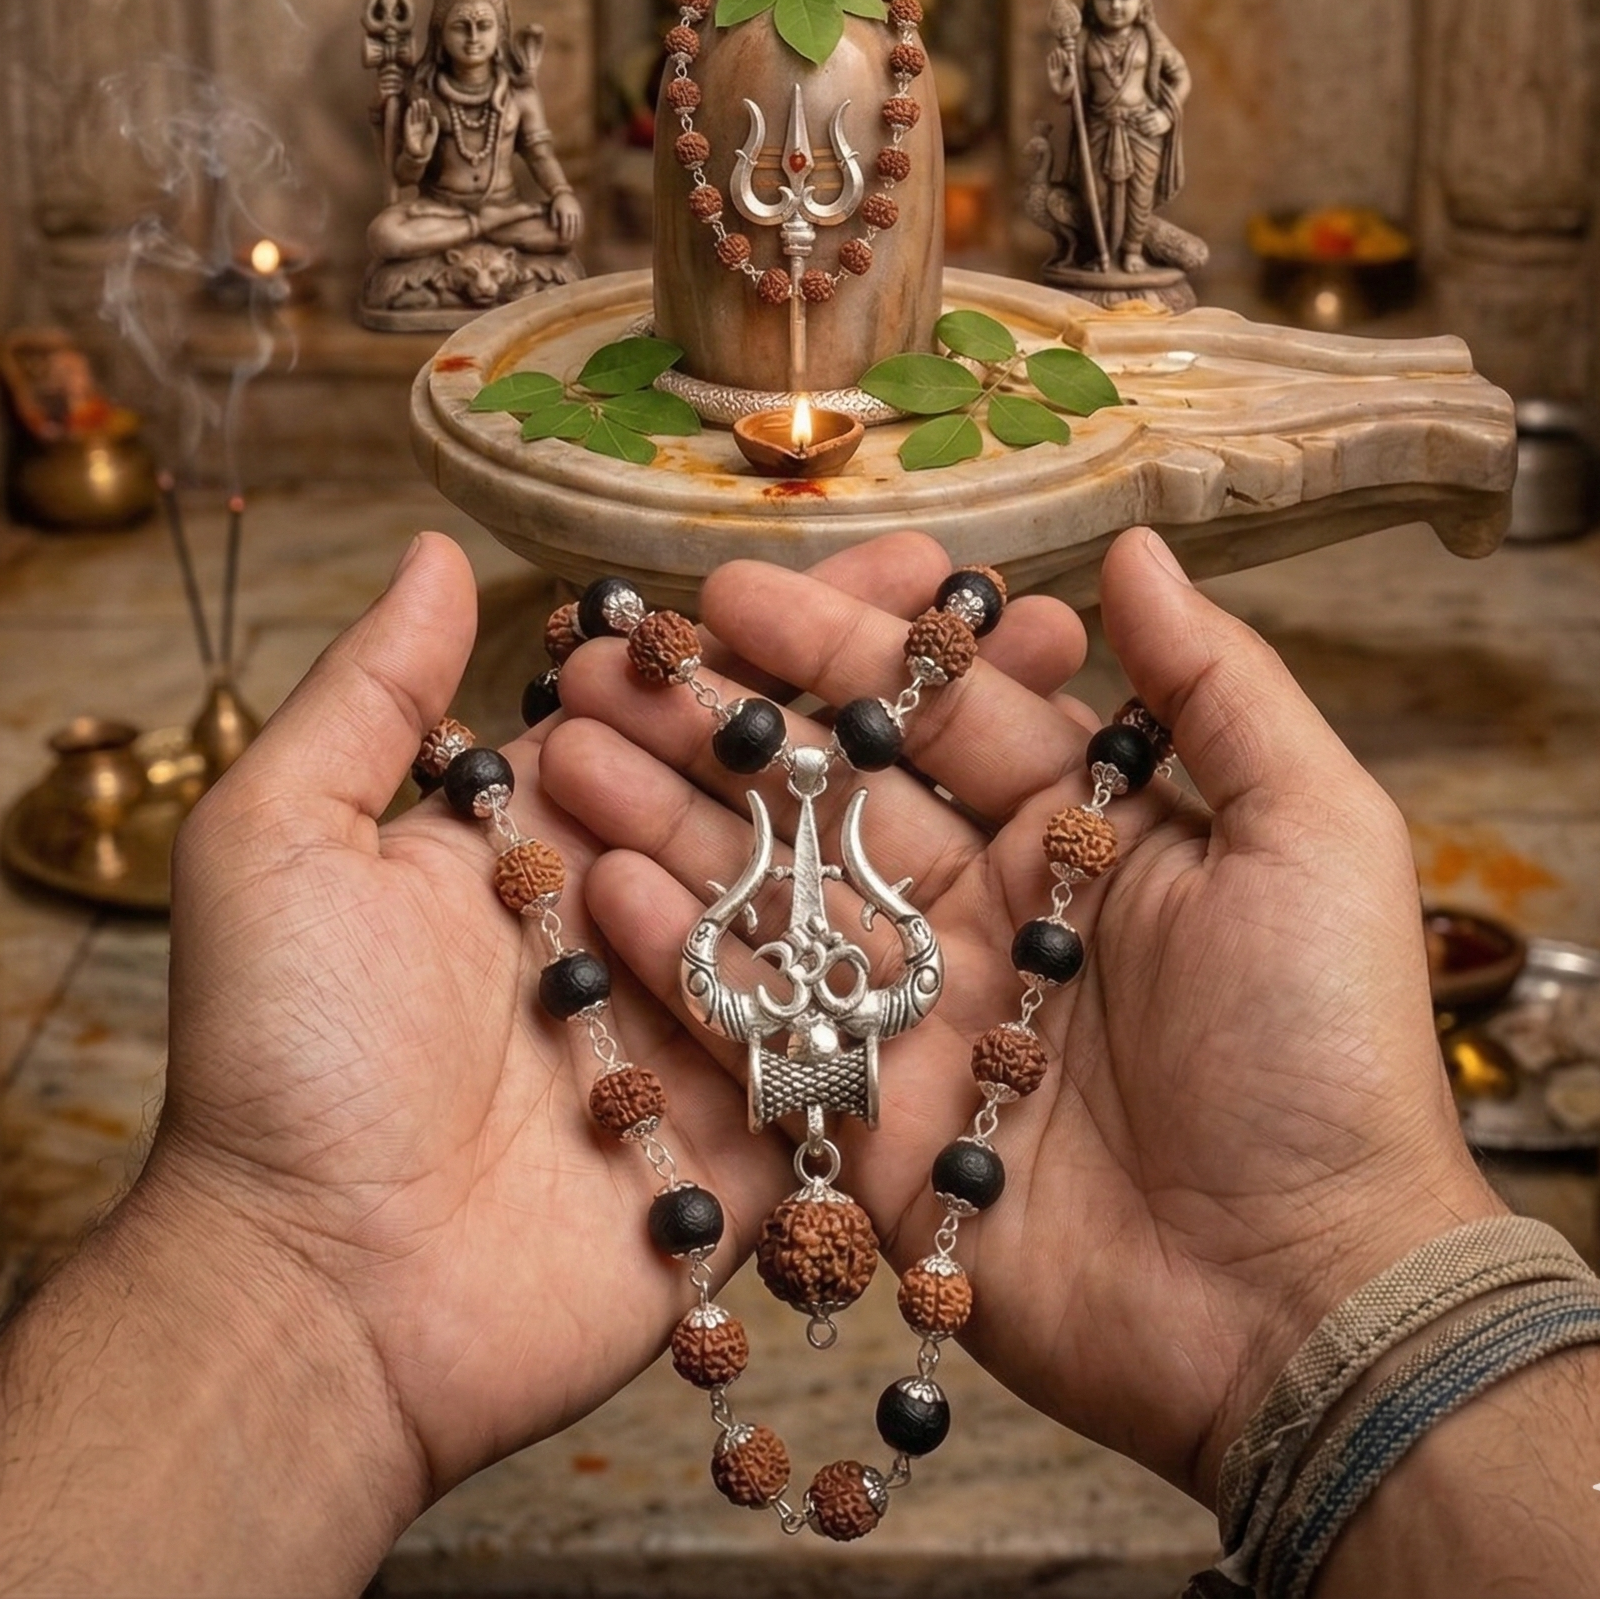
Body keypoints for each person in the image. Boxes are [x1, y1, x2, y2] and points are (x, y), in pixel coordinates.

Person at [0, 528, 1597, 1597]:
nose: (823, 1276)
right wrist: (285, 1256)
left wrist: (1324, 1260)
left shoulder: (867, 968)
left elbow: (866, 943)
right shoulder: (832, 962)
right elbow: (859, 946)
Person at [367, 0, 583, 265]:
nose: (473, 38)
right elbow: (403, 179)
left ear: (500, 32)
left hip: (506, 207)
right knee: (384, 235)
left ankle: (473, 229)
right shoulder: (424, 93)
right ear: (440, 34)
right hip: (442, 210)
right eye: (461, 27)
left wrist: (562, 192)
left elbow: (540, 156)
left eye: (483, 26)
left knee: (566, 230)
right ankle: (482, 226)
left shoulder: (521, 95)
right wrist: (415, 154)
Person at [1047, 0, 1192, 274]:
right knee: (1096, 195)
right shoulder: (1084, 41)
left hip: (1142, 128)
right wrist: (1059, 87)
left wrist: (1165, 116)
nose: (1116, 6)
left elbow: (1181, 76)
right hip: (1099, 128)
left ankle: (1132, 252)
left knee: (1140, 194)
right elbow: (1074, 93)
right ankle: (1103, 254)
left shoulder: (1150, 37)